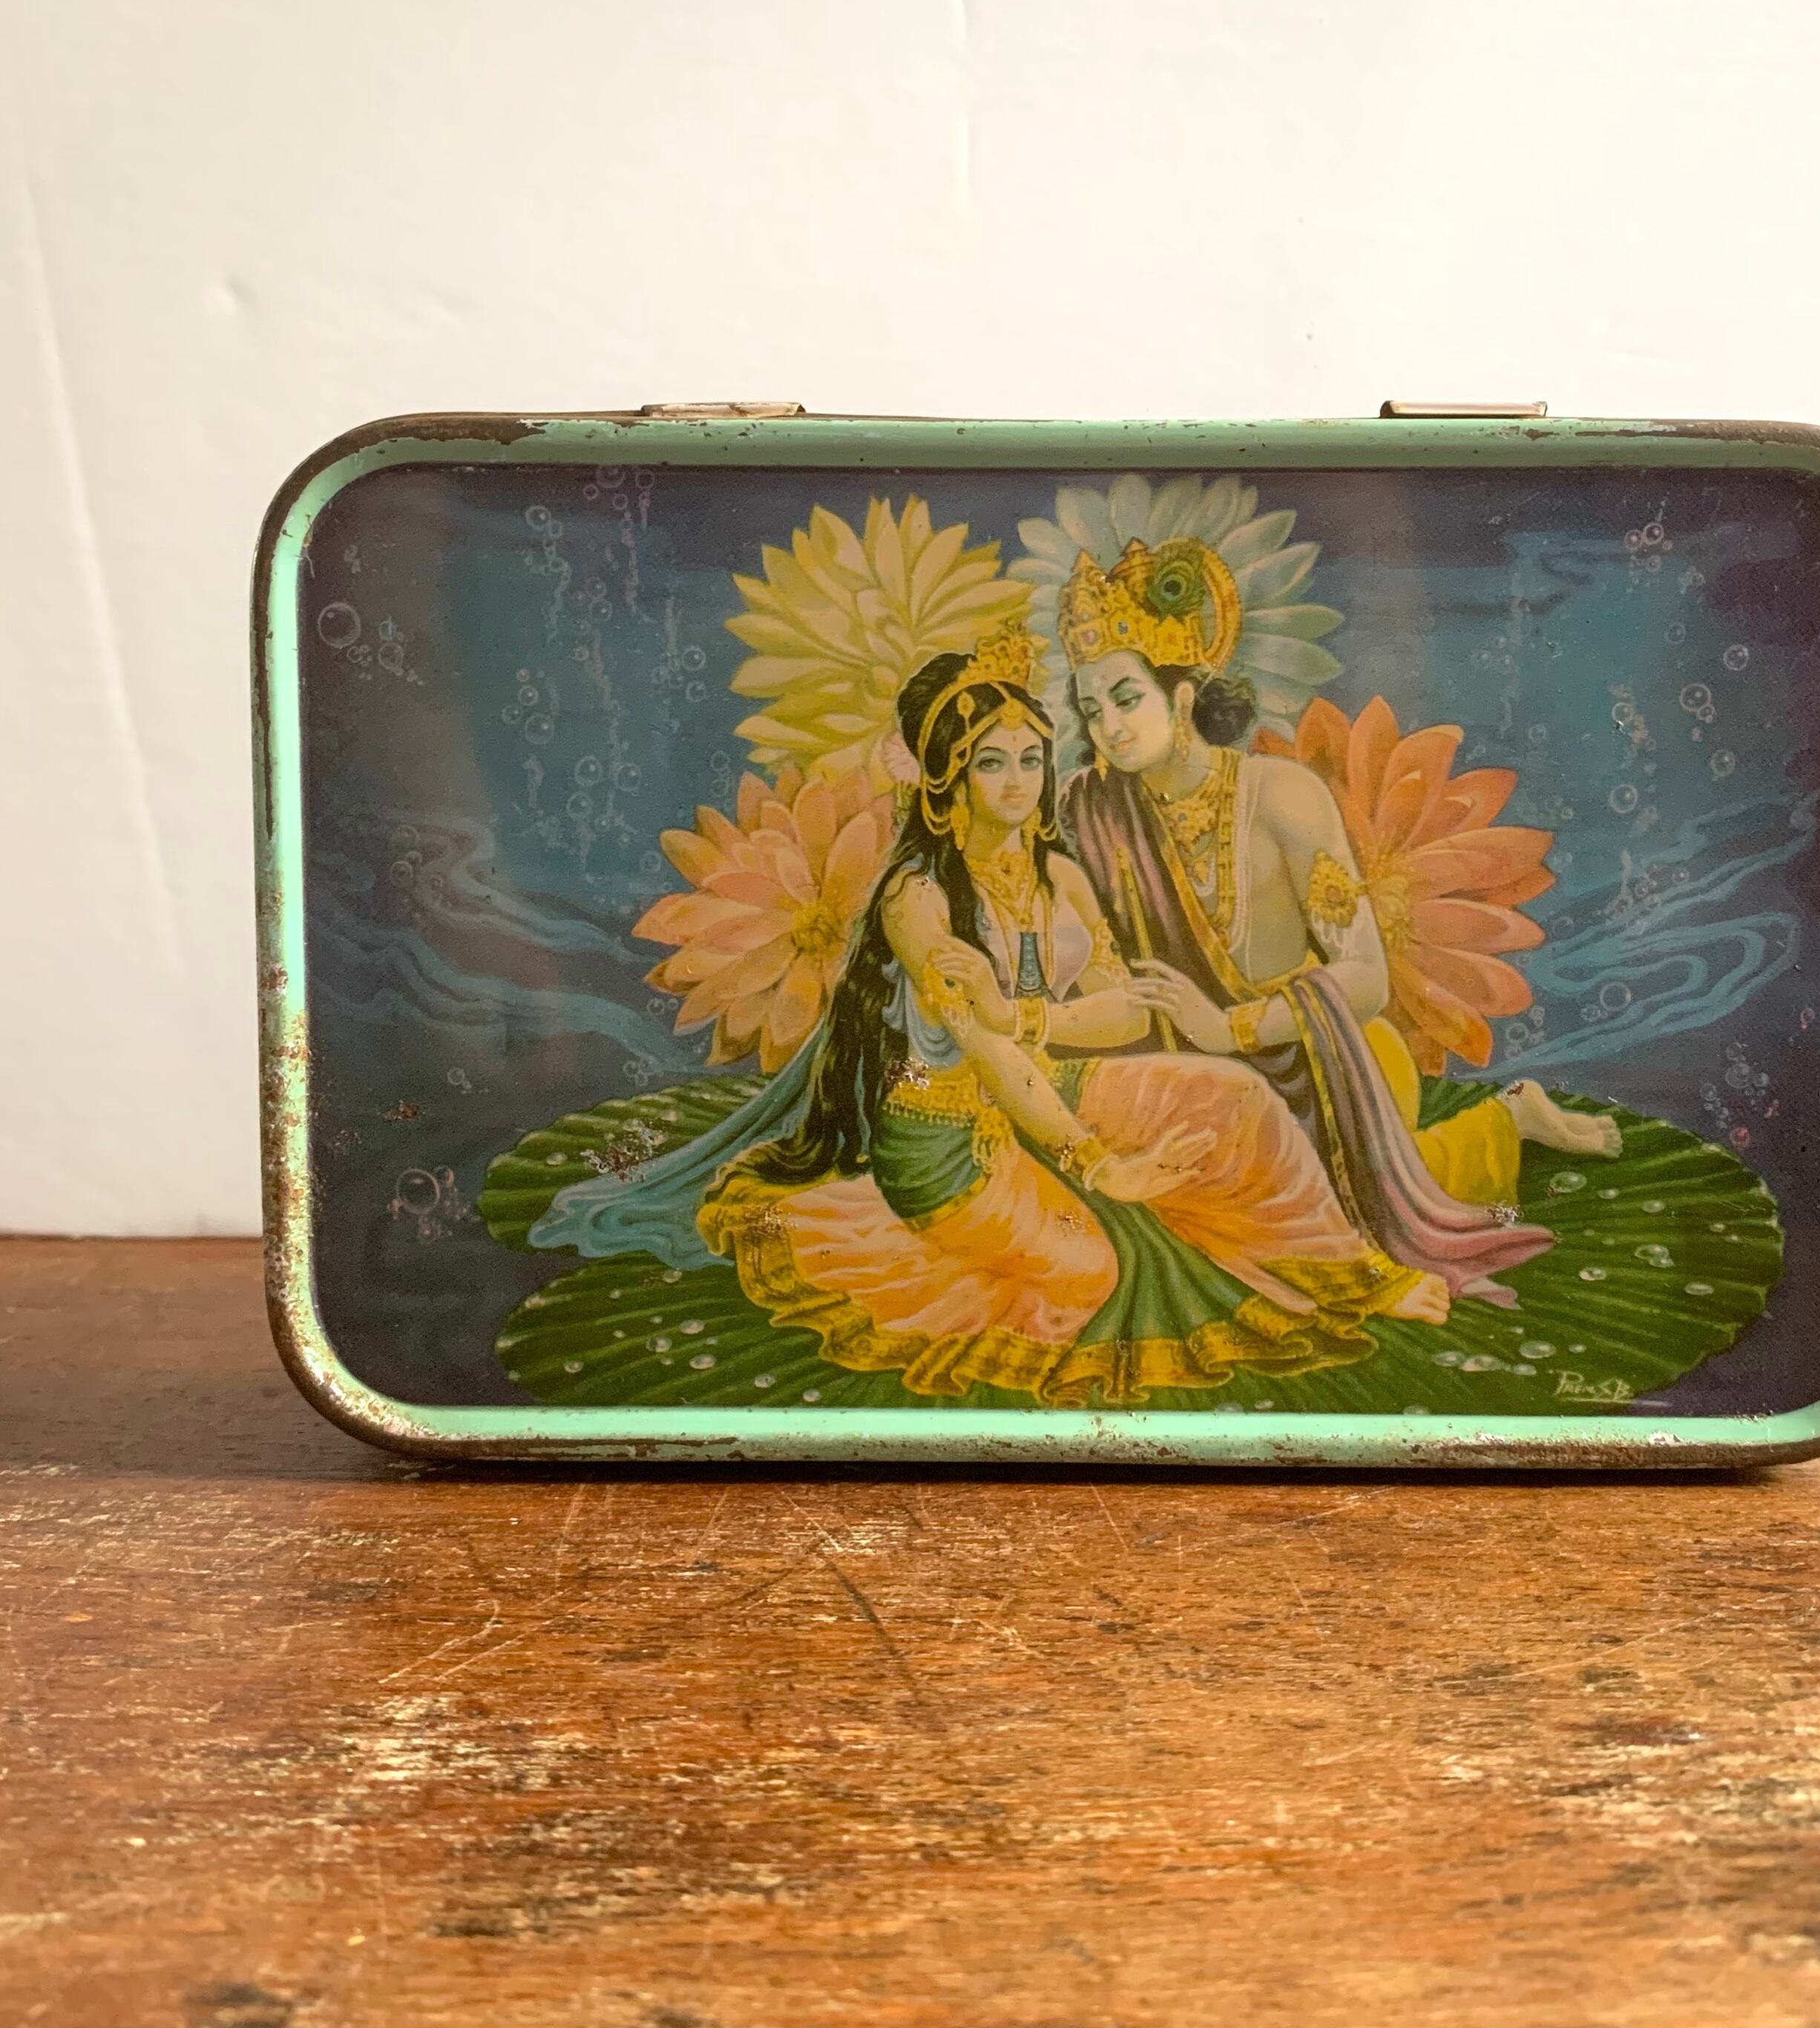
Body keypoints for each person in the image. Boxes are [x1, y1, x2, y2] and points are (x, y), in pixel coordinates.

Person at [669, 626, 1476, 1404]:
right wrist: (1099, 1166)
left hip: (1048, 1082)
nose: (1017, 782)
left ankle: (1354, 1274)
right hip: (948, 1143)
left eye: (1031, 759)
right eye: (990, 763)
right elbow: (992, 1061)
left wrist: (1027, 1018)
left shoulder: (1059, 876)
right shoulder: (918, 900)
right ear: (947, 782)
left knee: (1236, 1098)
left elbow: (1124, 1014)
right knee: (1089, 1272)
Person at [1054, 536, 1611, 1306]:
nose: (1109, 727)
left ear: (1180, 697)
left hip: (1309, 1069)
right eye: (1091, 711)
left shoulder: (1281, 796)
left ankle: (1507, 1119)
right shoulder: (1087, 810)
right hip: (1177, 1085)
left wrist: (1227, 1030)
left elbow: (1365, 977)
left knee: (1354, 1224)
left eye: (1126, 699)